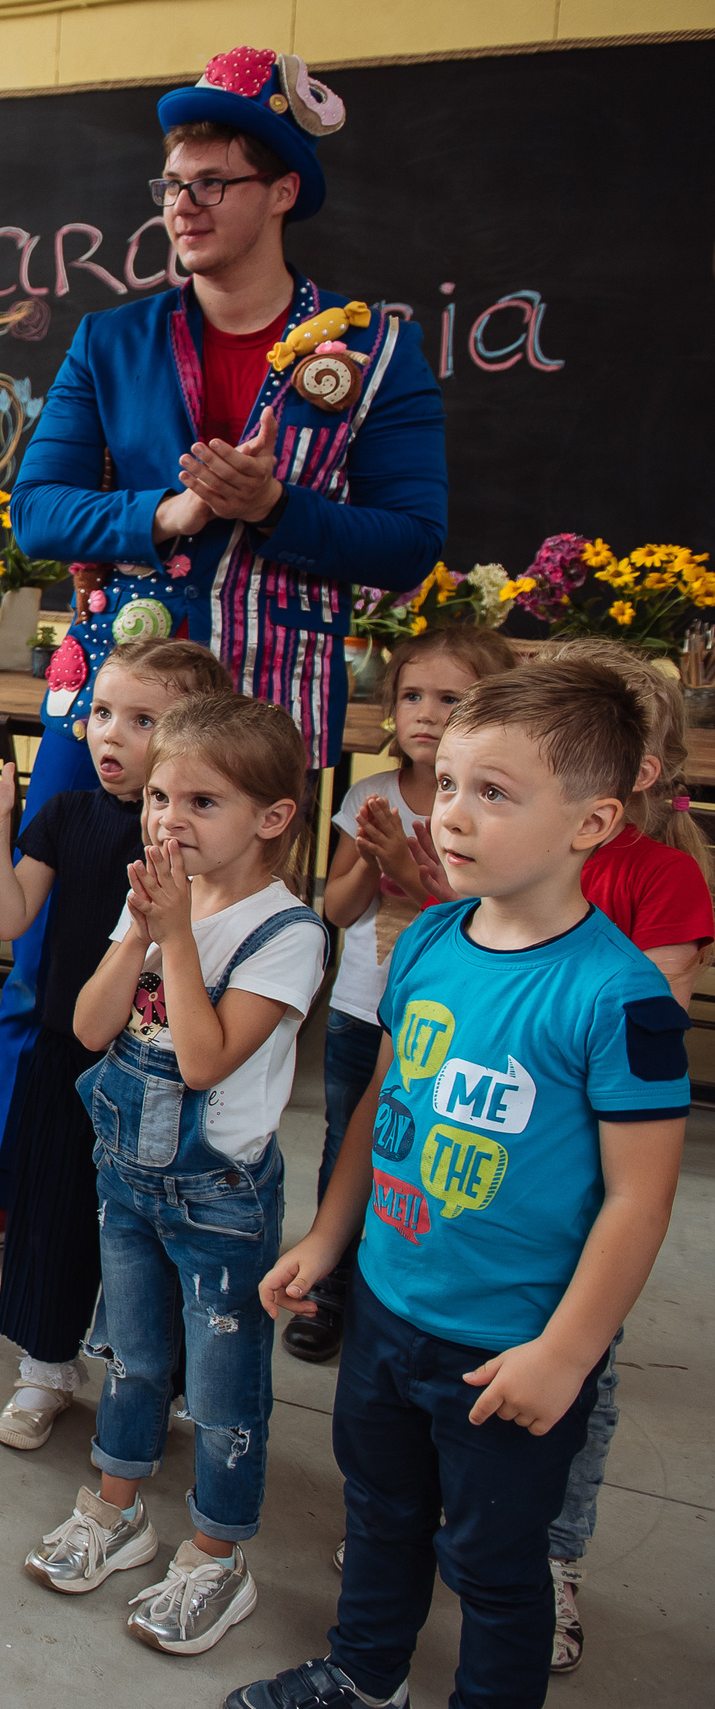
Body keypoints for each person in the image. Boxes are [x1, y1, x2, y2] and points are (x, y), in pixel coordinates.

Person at [0, 44, 447, 1279]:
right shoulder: (113, 342)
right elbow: (38, 511)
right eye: (170, 183)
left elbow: (409, 546)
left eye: (210, 179)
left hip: (254, 728)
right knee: (52, 953)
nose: (182, 203)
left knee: (234, 962)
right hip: (112, 708)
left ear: (280, 190)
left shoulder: (372, 357)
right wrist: (170, 513)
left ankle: (205, 1215)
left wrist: (277, 506)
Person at [236, 660, 689, 1709]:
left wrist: (564, 1353)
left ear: (592, 821)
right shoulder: (431, 937)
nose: (451, 813)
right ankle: (363, 1674)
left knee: (492, 1563)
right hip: (390, 1310)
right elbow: (379, 1112)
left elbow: (639, 1199)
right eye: (448, 784)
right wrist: (328, 1237)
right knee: (380, 1511)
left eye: (495, 792)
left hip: (509, 1344)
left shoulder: (620, 998)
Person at [30, 692, 325, 1658]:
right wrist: (139, 930)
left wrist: (180, 934)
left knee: (227, 1391)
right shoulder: (155, 892)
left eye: (201, 802)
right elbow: (88, 1026)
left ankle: (216, 1555)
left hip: (219, 1196)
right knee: (133, 1358)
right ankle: (118, 1511)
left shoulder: (289, 936)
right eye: (159, 798)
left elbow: (203, 1060)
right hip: (127, 1175)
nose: (168, 820)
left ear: (272, 817)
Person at [0, 638, 231, 1451]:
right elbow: (10, 918)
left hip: (162, 1067)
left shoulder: (197, 838)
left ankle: (152, 1379)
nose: (110, 735)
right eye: (101, 712)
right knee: (55, 1215)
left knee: (152, 1235)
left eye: (143, 719)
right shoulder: (66, 815)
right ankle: (46, 1366)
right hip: (69, 1056)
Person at [524, 638, 711, 1674]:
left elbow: (650, 1009)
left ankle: (550, 1557)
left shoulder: (661, 876)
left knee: (575, 1370)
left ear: (631, 772)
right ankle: (445, 1522)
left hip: (585, 1178)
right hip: (481, 1161)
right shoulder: (521, 851)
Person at [295, 624, 518, 1363]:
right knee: (349, 1140)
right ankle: (328, 1286)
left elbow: (472, 913)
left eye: (449, 697)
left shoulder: (489, 810)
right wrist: (374, 853)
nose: (425, 711)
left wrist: (415, 867)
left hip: (449, 1023)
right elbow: (339, 910)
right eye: (411, 695)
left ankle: (388, 1285)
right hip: (364, 1008)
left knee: (422, 1155)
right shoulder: (371, 792)